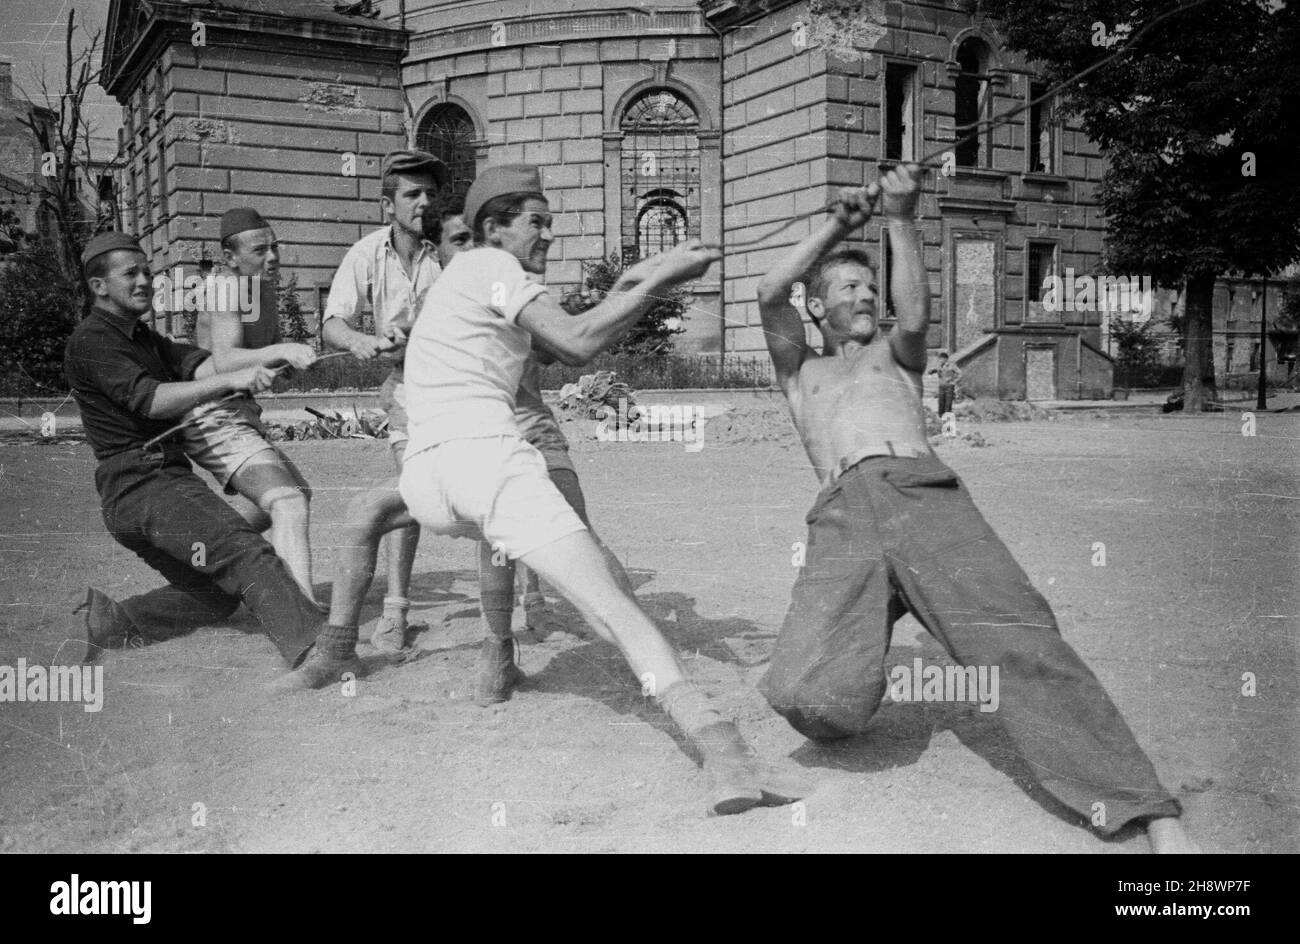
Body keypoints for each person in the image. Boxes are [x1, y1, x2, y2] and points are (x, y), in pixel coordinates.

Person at [752, 164, 1197, 853]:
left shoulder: (896, 359)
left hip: (921, 495)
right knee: (798, 690)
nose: (867, 296)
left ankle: (1147, 809)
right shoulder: (800, 371)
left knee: (1020, 641)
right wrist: (840, 224)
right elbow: (767, 290)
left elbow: (918, 315)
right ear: (817, 308)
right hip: (842, 515)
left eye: (873, 286)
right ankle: (855, 680)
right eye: (849, 288)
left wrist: (900, 217)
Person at [392, 163, 808, 814]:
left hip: (425, 480)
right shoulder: (493, 266)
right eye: (537, 221)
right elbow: (581, 343)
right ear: (494, 226)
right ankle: (724, 756)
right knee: (614, 607)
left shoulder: (466, 281)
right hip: (484, 459)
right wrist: (664, 280)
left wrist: (653, 274)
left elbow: (575, 331)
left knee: (559, 571)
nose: (549, 235)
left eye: (551, 222)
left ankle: (496, 655)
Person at [64, 232, 358, 689]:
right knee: (245, 550)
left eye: (147, 272)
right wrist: (233, 379)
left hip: (147, 489)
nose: (145, 281)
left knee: (212, 594)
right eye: (131, 274)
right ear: (99, 286)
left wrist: (272, 356)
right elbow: (153, 400)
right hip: (142, 484)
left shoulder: (142, 337)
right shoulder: (93, 340)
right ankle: (315, 650)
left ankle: (116, 622)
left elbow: (199, 364)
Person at [322, 150, 448, 650]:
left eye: (431, 194)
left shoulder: (450, 251)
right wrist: (357, 341)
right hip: (408, 391)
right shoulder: (366, 255)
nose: (424, 203)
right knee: (412, 487)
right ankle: (395, 610)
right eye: (412, 194)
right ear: (386, 205)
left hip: (463, 390)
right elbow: (333, 324)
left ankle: (522, 600)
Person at [179, 208, 318, 600]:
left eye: (275, 247)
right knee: (288, 501)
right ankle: (302, 612)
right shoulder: (225, 286)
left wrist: (285, 364)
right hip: (209, 411)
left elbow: (259, 357)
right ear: (230, 258)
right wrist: (286, 347)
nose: (272, 257)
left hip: (238, 410)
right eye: (260, 251)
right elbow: (225, 359)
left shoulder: (263, 289)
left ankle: (204, 552)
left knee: (295, 494)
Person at [929, 350, 961, 417]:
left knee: (948, 402)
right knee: (941, 402)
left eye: (941, 359)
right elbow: (934, 370)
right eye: (939, 359)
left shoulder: (952, 365)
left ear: (946, 359)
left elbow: (960, 373)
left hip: (949, 386)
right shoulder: (939, 366)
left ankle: (947, 417)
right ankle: (940, 416)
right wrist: (932, 371)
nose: (940, 360)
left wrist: (954, 381)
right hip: (941, 386)